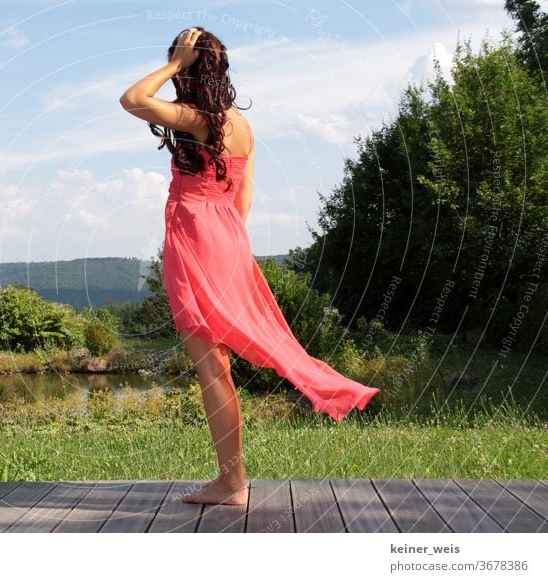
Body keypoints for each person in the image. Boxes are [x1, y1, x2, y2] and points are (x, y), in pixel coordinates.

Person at [119, 27, 381, 506]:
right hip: (228, 239)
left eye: (182, 63)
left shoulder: (199, 119)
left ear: (191, 66)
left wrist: (174, 65)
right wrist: (223, 246)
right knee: (218, 364)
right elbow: (243, 204)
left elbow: (132, 98)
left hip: (196, 238)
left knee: (211, 367)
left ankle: (231, 482)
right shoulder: (240, 126)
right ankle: (231, 479)